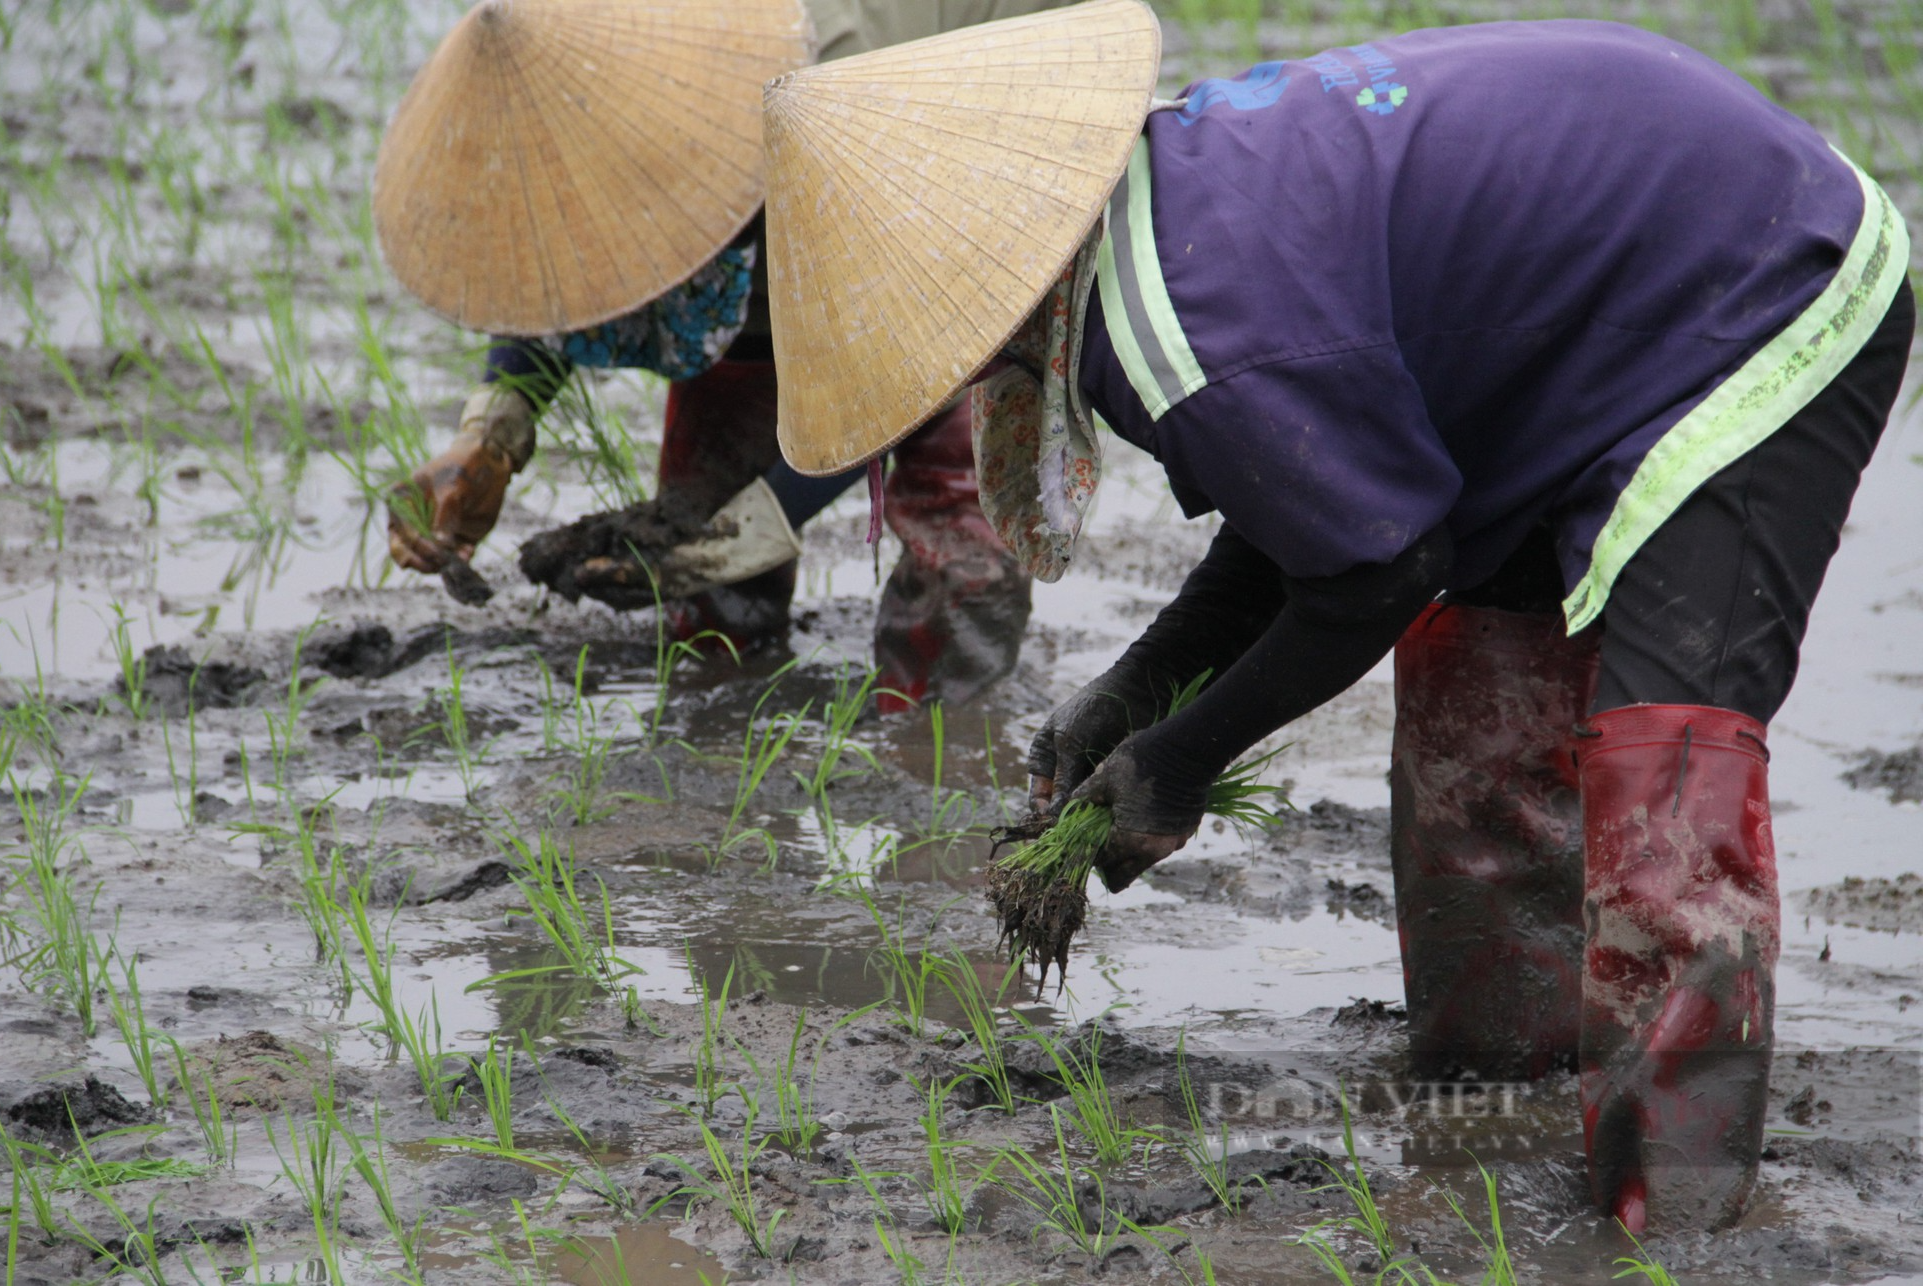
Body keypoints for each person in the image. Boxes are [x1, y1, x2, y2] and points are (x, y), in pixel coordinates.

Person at [756, 0, 1914, 1232]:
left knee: (1662, 759)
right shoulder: (1153, 226)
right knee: (1477, 700)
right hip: (1575, 316)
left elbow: (1373, 568)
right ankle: (1496, 1096)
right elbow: (1313, 512)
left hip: (1755, 285)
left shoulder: (1183, 318)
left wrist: (1177, 762)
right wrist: (1133, 695)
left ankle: (1672, 1210)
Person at [374, 0, 1073, 712]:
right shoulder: (605, 81)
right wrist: (491, 434)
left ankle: (943, 743)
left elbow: (917, 371)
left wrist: (758, 526)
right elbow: (573, 267)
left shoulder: (834, 112)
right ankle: (717, 724)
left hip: (940, 243)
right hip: (765, 224)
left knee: (965, 561)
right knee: (701, 563)